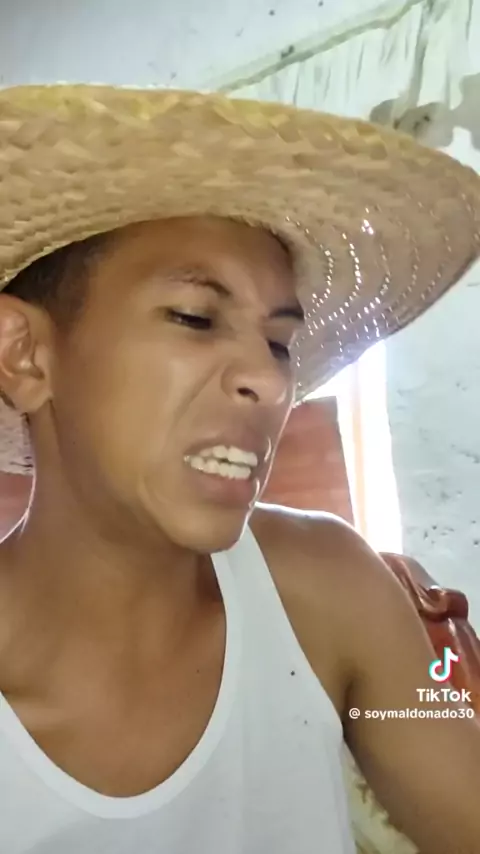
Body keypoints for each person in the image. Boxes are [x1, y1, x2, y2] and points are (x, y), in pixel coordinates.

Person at [0, 84, 478, 854]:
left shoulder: (326, 589)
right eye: (195, 317)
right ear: (24, 355)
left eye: (279, 342)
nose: (272, 381)